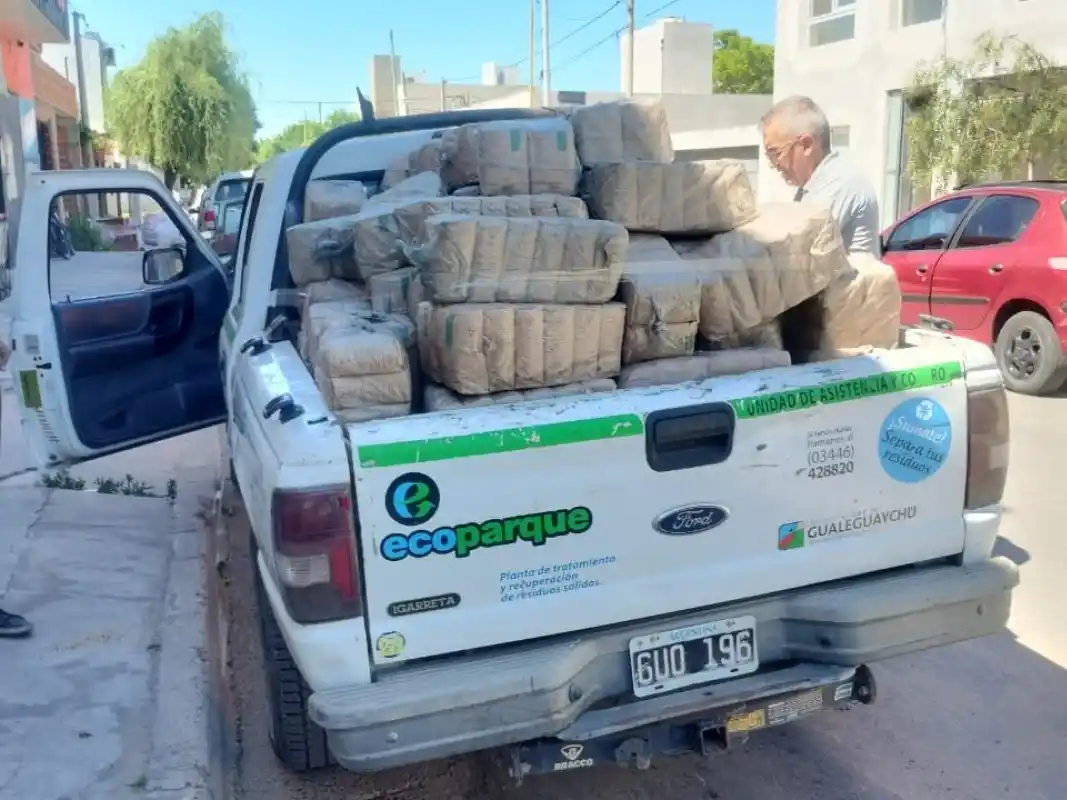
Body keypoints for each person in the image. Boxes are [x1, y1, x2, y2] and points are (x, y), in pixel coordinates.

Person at [760, 95, 880, 254]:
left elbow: (795, 250)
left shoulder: (838, 184)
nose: (774, 165)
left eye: (776, 154)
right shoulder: (815, 186)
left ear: (807, 145)